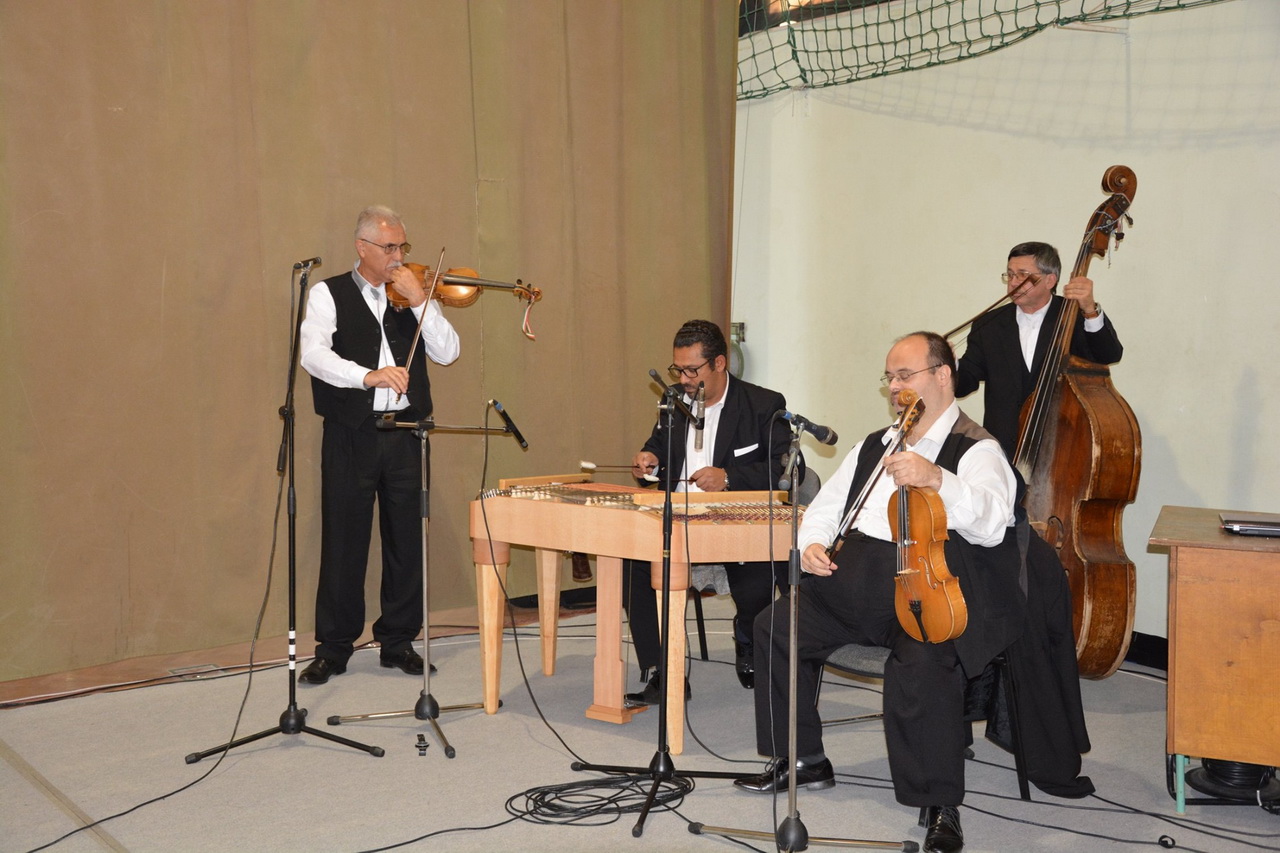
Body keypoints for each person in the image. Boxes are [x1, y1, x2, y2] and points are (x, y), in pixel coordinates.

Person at [735, 332, 1025, 853]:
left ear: (942, 375)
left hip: (922, 590)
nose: (893, 387)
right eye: (889, 377)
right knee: (774, 626)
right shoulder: (875, 443)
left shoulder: (977, 447)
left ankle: (939, 802)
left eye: (904, 375)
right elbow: (826, 507)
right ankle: (802, 759)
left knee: (925, 665)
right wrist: (812, 544)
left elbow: (993, 523)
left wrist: (937, 478)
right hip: (851, 583)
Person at [296, 205, 460, 684]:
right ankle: (334, 647)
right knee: (343, 540)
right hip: (351, 433)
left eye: (402, 246)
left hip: (406, 432)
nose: (398, 257)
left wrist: (422, 301)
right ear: (362, 247)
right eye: (389, 247)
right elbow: (313, 355)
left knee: (406, 540)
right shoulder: (328, 294)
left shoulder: (413, 294)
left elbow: (449, 352)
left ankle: (398, 641)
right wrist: (367, 376)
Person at [622, 319, 801, 706]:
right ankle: (663, 670)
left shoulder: (763, 405)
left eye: (692, 370)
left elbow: (787, 469)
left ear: (720, 363)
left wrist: (729, 477)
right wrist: (650, 460)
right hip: (676, 520)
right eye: (678, 369)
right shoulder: (674, 399)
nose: (684, 379)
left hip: (734, 522)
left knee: (759, 572)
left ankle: (748, 637)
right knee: (631, 563)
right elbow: (658, 447)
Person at [955, 241, 1123, 458]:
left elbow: (1109, 355)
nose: (1013, 282)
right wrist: (948, 364)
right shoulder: (989, 324)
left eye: (1022, 275)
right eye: (1010, 275)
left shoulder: (1073, 315)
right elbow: (963, 384)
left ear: (1050, 280)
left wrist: (1090, 310)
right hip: (1004, 450)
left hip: (1063, 447)